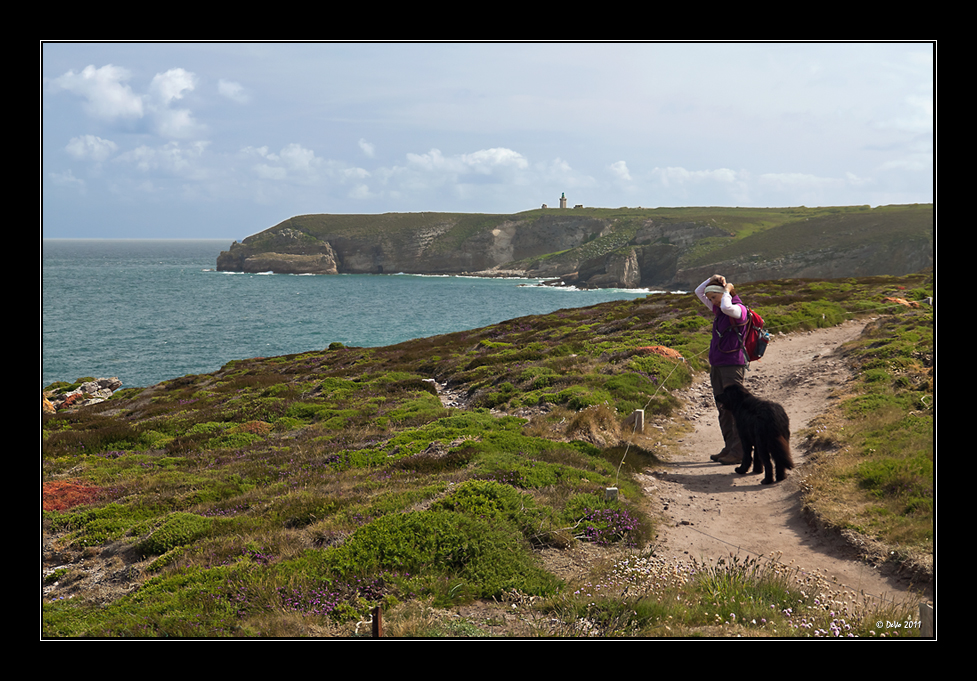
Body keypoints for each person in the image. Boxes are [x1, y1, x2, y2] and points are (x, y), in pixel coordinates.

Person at [695, 274, 749, 465]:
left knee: (735, 408)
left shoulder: (738, 310)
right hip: (718, 365)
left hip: (732, 365)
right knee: (723, 407)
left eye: (713, 297)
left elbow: (727, 306)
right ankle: (729, 448)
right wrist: (711, 278)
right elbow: (698, 292)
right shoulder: (720, 310)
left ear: (723, 294)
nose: (711, 302)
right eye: (710, 299)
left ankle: (739, 451)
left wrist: (726, 291)